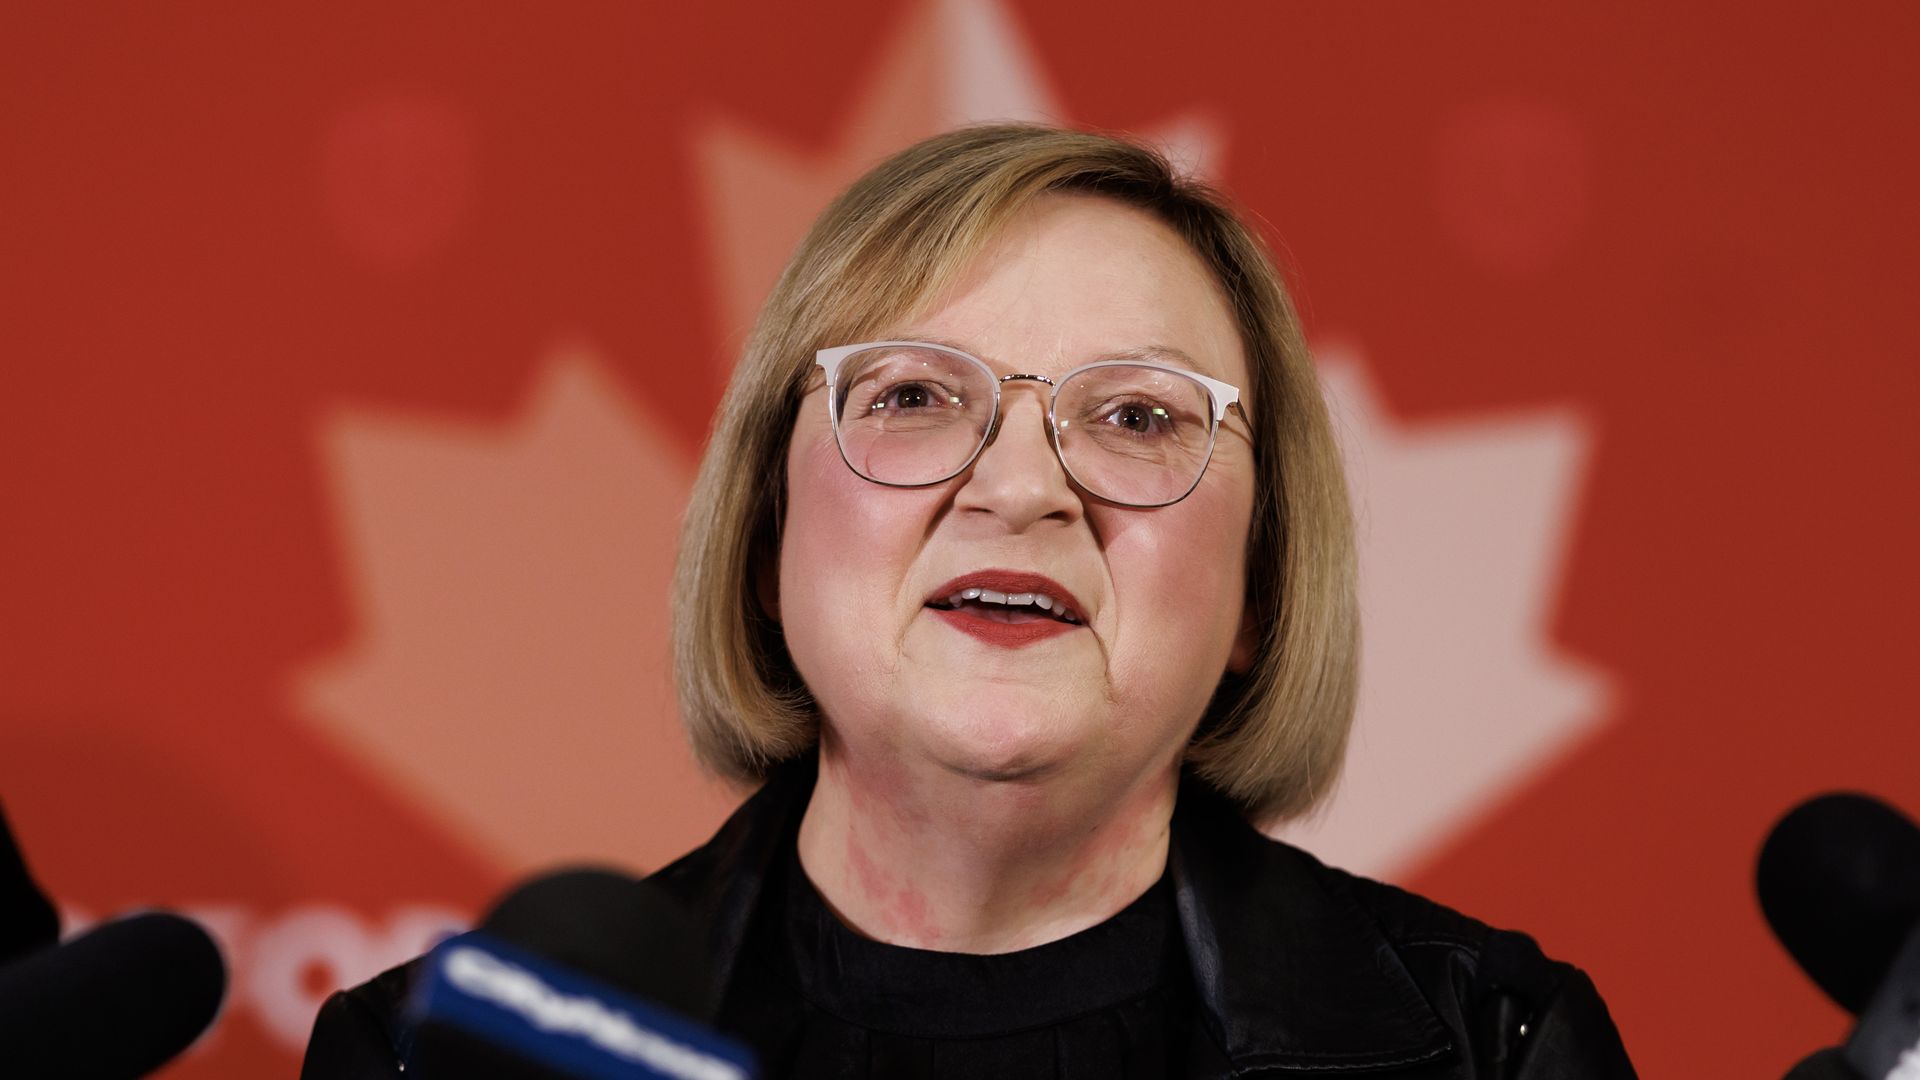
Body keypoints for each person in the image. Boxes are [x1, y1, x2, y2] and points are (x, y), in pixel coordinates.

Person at [303, 124, 1636, 1078]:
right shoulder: (435, 1060)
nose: (1021, 490)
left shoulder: (1494, 1046)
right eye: (915, 396)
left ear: (1257, 592)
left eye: (1136, 416)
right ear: (771, 533)